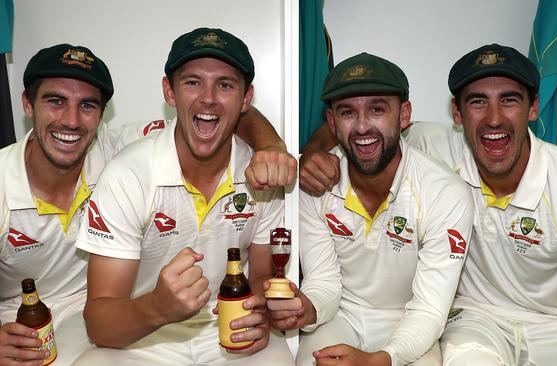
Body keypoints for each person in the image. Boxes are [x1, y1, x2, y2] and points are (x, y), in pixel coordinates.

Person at [300, 43, 557, 365]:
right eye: (477, 101)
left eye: (510, 100)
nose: (494, 118)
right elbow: (364, 126)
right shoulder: (429, 146)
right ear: (456, 112)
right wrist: (312, 157)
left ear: (533, 108)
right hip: (476, 318)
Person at [73, 27, 294, 365]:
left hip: (230, 326)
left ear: (246, 98)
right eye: (192, 82)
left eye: (225, 85)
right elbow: (99, 323)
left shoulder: (259, 172)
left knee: (281, 358)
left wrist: (262, 316)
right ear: (169, 91)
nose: (208, 97)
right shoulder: (127, 174)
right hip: (144, 336)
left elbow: (262, 277)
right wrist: (157, 307)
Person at [270, 52, 474, 366]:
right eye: (348, 112)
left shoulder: (445, 193)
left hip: (410, 321)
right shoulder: (316, 184)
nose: (363, 126)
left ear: (404, 115)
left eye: (377, 109)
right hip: (340, 316)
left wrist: (380, 359)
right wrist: (305, 308)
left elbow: (429, 310)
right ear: (332, 122)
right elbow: (324, 282)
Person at [0, 44, 116, 365]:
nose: (72, 121)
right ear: (27, 104)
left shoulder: (116, 150)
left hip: (90, 307)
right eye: (56, 101)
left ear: (101, 116)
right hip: (14, 319)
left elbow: (207, 119)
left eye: (88, 106)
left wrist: (268, 145)